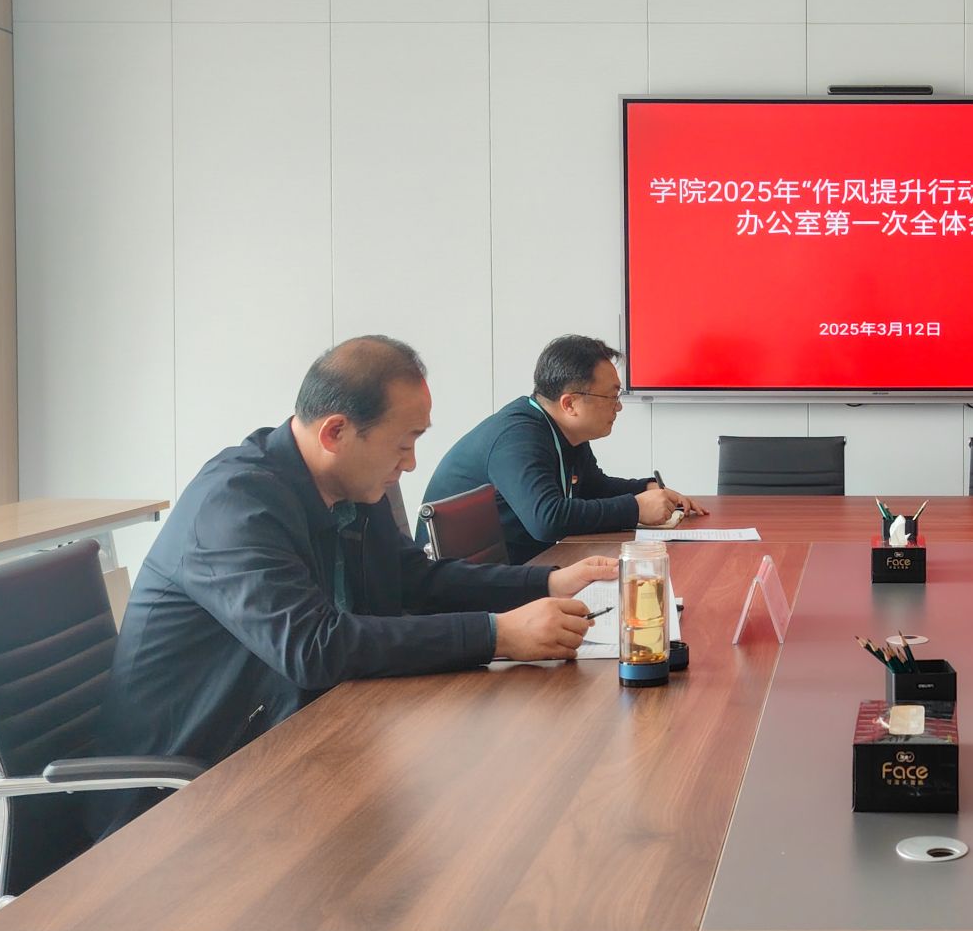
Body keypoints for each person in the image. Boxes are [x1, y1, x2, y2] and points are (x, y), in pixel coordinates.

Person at [105, 336, 615, 785]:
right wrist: (497, 634)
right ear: (335, 433)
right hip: (193, 782)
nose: (411, 462)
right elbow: (313, 646)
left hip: (304, 734)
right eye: (404, 442)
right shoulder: (233, 506)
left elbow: (414, 579)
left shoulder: (351, 487)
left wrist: (547, 584)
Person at [420, 335, 703, 563]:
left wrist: (646, 488)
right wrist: (635, 508)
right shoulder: (518, 437)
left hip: (521, 570)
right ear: (569, 404)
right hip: (471, 591)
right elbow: (547, 519)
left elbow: (592, 486)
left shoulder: (562, 431)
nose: (618, 407)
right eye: (611, 396)